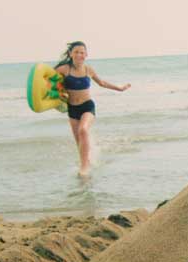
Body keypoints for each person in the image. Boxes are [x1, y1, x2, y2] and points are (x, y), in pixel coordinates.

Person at [54, 41, 131, 176]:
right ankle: (86, 162)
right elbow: (51, 83)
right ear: (71, 53)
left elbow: (101, 83)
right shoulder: (64, 69)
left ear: (86, 55)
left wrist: (119, 88)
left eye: (82, 52)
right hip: (72, 109)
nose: (79, 55)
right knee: (79, 141)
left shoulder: (88, 69)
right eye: (76, 52)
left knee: (83, 130)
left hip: (87, 106)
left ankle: (84, 168)